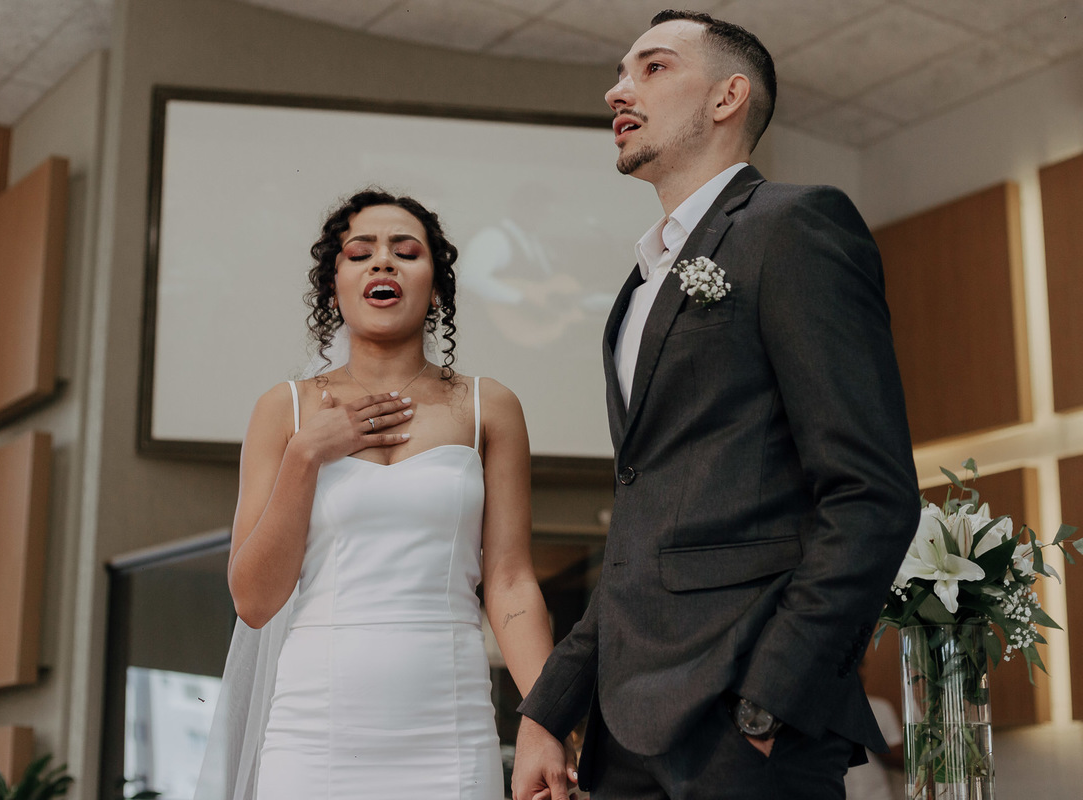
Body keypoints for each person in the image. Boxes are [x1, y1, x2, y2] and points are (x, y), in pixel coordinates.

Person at [512, 10, 920, 800]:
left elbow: (871, 495)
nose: (617, 90)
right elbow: (644, 529)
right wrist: (546, 708)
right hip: (624, 733)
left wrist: (770, 705)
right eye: (621, 72)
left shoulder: (794, 226)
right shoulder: (637, 291)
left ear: (729, 96)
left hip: (746, 725)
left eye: (652, 68)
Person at [194, 189, 555, 800]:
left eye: (405, 252)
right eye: (360, 254)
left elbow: (512, 581)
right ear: (334, 287)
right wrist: (306, 455)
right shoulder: (282, 410)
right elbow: (254, 601)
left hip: (450, 726)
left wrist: (545, 720)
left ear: (436, 286)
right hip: (313, 736)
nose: (382, 263)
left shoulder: (487, 408)